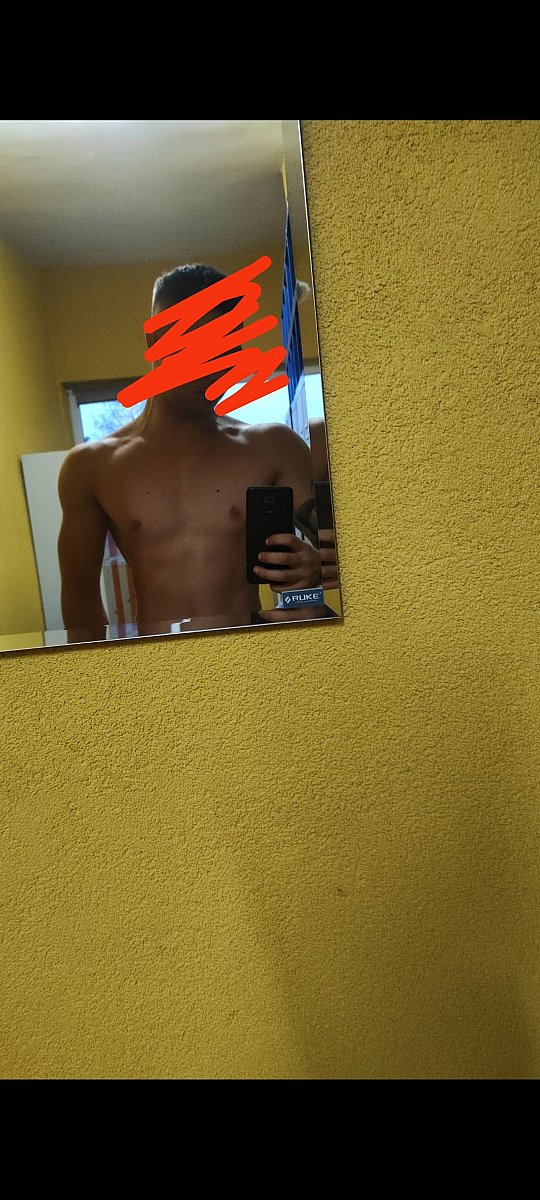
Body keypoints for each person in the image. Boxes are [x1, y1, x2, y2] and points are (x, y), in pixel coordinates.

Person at [58, 264, 323, 638]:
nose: (216, 372)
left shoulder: (274, 448)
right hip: (157, 663)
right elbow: (81, 606)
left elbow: (342, 565)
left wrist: (315, 572)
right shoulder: (92, 467)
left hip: (256, 658)